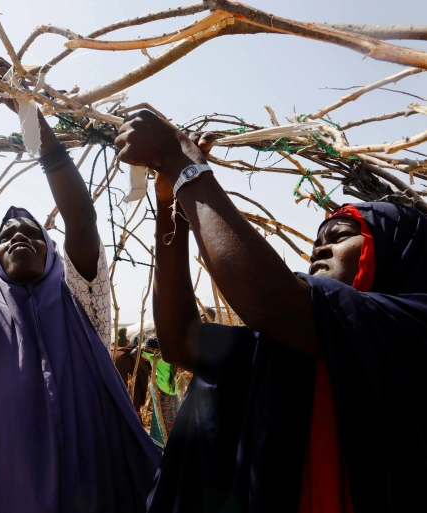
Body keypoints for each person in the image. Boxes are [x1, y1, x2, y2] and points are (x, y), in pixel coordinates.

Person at [116, 110, 427, 512]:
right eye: (317, 240)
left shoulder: (412, 327)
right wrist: (169, 202)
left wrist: (184, 165)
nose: (321, 248)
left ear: (397, 255)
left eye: (343, 235)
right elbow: (182, 340)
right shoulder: (285, 350)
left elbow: (272, 302)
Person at [0, 57, 159, 513]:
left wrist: (27, 111)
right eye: (6, 237)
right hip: (8, 484)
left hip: (93, 485)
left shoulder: (83, 301)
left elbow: (82, 220)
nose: (18, 236)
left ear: (54, 252)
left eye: (32, 232)